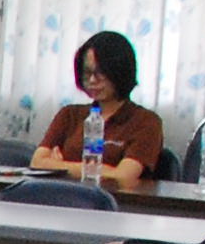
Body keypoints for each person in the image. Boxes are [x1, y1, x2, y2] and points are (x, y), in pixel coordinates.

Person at [35, 32, 168, 192]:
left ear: (119, 72)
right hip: (64, 198)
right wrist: (102, 169)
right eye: (87, 73)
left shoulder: (146, 121)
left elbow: (123, 177)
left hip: (116, 203)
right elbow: (37, 163)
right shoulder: (69, 114)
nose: (92, 80)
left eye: (100, 73)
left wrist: (59, 166)